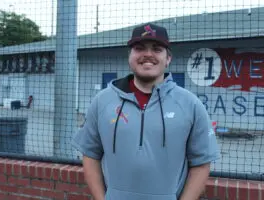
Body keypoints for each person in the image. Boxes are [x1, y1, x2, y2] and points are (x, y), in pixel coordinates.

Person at [72, 23, 220, 200]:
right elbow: (90, 155)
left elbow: (201, 164)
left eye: (157, 49)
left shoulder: (191, 104)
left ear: (168, 59)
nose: (147, 54)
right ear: (130, 56)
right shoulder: (102, 101)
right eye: (139, 48)